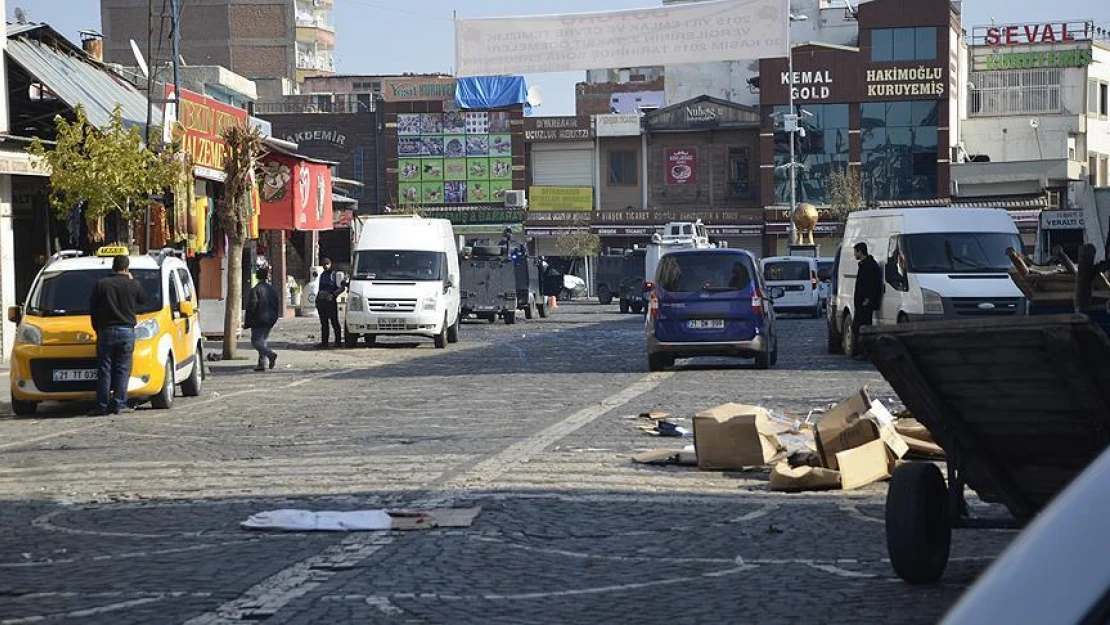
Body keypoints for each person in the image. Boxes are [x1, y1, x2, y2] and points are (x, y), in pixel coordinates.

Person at [89, 255, 148, 415]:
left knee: (104, 369)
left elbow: (93, 309)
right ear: (126, 268)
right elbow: (143, 300)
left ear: (113, 267)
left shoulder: (101, 284)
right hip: (126, 330)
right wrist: (133, 280)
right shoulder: (132, 284)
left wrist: (97, 328)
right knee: (122, 369)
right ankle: (119, 403)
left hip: (106, 330)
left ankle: (102, 405)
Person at [851, 242, 883, 358]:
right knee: (857, 327)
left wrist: (868, 299)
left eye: (855, 252)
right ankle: (858, 351)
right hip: (860, 303)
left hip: (865, 303)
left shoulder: (870, 266)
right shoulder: (864, 265)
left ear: (860, 251)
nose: (854, 254)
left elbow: (873, 285)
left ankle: (864, 352)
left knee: (863, 328)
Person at [245, 267, 280, 371]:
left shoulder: (255, 290)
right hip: (270, 319)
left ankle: (270, 355)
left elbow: (252, 306)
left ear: (257, 277)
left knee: (256, 342)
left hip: (259, 319)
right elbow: (276, 304)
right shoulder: (272, 290)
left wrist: (248, 321)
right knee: (263, 340)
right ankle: (262, 364)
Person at [316, 257, 344, 348]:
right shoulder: (323, 275)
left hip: (330, 301)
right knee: (324, 323)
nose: (325, 266)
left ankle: (338, 342)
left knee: (334, 322)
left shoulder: (335, 274)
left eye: (327, 263)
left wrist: (333, 295)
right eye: (324, 264)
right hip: (321, 301)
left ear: (330, 264)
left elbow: (341, 288)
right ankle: (324, 343)